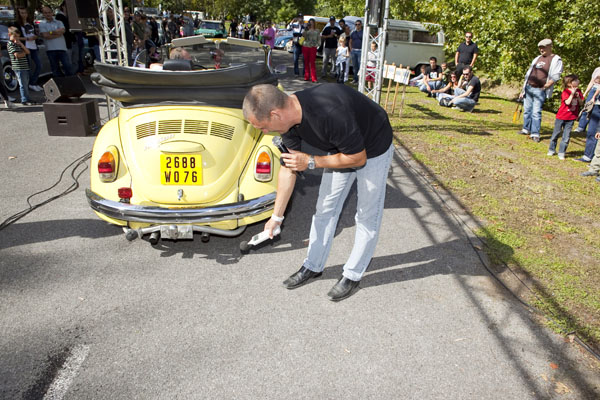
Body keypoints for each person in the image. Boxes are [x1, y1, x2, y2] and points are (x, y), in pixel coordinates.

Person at [243, 84, 394, 301]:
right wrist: (275, 218)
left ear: (275, 114)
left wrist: (312, 161)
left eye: (263, 127)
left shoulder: (330, 112)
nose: (265, 133)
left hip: (373, 147)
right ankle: (313, 266)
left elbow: (358, 158)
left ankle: (352, 274)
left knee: (366, 215)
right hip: (341, 147)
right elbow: (289, 168)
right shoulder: (287, 124)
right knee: (325, 208)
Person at [518, 38, 563, 142]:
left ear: (550, 47)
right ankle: (526, 129)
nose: (541, 50)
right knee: (527, 110)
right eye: (540, 48)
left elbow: (556, 76)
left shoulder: (555, 59)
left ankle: (535, 133)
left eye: (543, 47)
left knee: (536, 112)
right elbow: (529, 74)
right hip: (529, 87)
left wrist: (546, 86)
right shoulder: (537, 58)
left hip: (540, 89)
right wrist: (523, 90)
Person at [547, 74, 584, 160]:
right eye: (576, 80)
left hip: (571, 118)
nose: (578, 81)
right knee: (556, 134)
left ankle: (561, 152)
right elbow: (567, 102)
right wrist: (572, 94)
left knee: (566, 136)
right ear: (570, 83)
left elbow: (581, 103)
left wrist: (578, 97)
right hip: (561, 116)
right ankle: (551, 149)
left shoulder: (579, 91)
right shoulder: (566, 92)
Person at [38, 6, 73, 77]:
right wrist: (56, 33)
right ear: (43, 14)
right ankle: (59, 85)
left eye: (49, 12)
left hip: (62, 48)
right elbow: (45, 35)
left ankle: (70, 83)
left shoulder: (59, 22)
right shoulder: (42, 24)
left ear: (52, 12)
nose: (48, 14)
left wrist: (50, 33)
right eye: (45, 13)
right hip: (50, 49)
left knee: (67, 66)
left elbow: (62, 31)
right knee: (55, 69)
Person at [15, 6, 42, 92]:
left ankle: (33, 82)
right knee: (28, 66)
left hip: (33, 46)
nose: (24, 15)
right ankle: (30, 84)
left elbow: (36, 33)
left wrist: (35, 36)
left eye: (25, 13)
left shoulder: (31, 23)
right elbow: (16, 37)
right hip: (25, 47)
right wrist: (26, 39)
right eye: (22, 13)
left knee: (39, 65)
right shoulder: (16, 25)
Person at [7, 27, 35, 105]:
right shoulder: (10, 44)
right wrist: (24, 53)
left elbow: (28, 52)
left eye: (18, 36)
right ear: (10, 35)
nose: (17, 38)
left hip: (24, 66)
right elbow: (17, 55)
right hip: (18, 67)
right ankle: (24, 99)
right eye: (15, 36)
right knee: (22, 84)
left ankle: (27, 98)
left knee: (25, 84)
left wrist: (22, 45)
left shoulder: (18, 44)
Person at [574, 62, 600, 133]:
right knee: (587, 108)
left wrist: (594, 97)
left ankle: (593, 130)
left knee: (596, 111)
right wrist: (585, 93)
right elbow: (591, 82)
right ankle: (581, 127)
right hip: (593, 89)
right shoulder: (597, 69)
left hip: (599, 92)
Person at [301, 18, 319, 83]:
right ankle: (306, 76)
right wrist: (306, 29)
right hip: (306, 46)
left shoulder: (317, 30)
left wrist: (317, 44)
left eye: (312, 22)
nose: (311, 24)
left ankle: (314, 78)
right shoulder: (306, 30)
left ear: (314, 23)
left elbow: (318, 38)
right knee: (306, 62)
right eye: (310, 22)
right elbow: (303, 36)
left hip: (313, 47)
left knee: (312, 62)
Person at [349, 20, 363, 84]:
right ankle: (355, 79)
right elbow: (350, 41)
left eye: (358, 24)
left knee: (360, 66)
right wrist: (351, 49)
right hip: (353, 51)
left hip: (360, 51)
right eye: (356, 24)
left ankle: (360, 80)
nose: (357, 25)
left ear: (361, 25)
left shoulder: (363, 32)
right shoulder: (353, 33)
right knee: (354, 66)